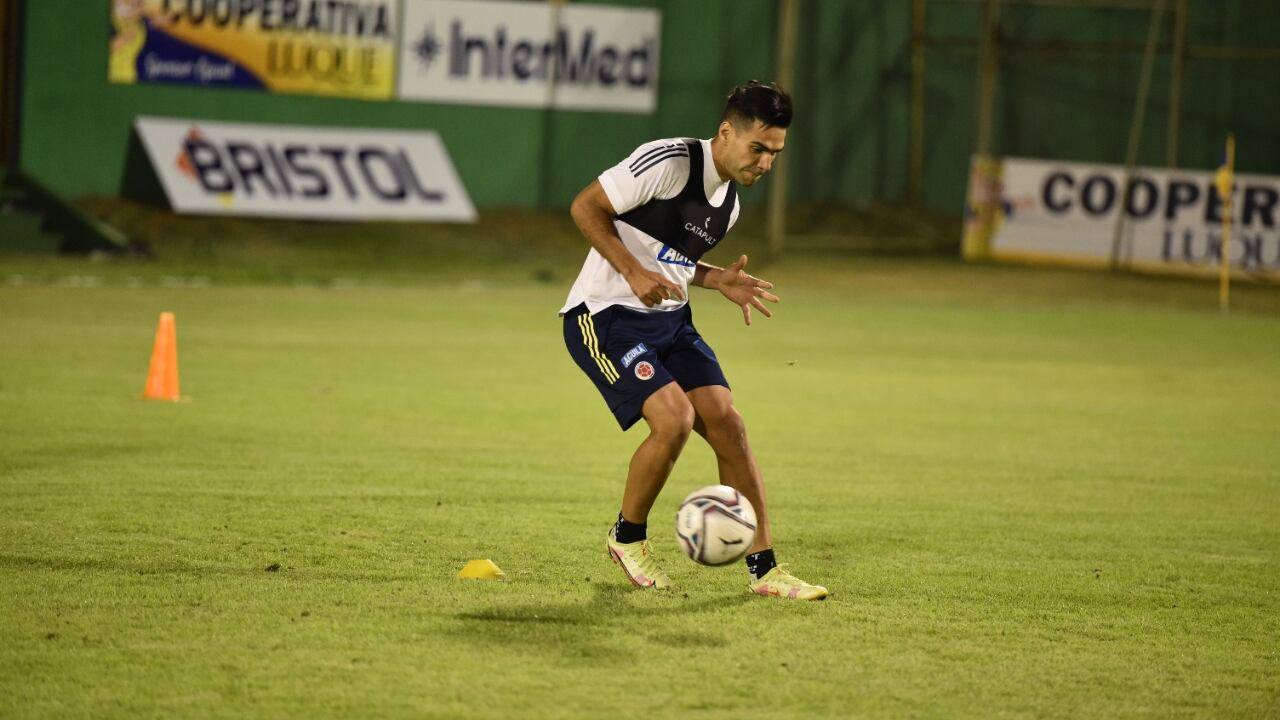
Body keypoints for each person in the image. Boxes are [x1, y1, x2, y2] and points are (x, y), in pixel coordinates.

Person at [560, 81, 828, 601]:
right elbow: (585, 208)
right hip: (605, 316)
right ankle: (628, 538)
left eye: (775, 153)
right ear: (726, 132)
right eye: (758, 148)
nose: (766, 163)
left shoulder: (728, 205)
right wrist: (633, 274)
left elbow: (671, 261)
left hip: (671, 322)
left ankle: (765, 570)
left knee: (729, 425)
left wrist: (712, 279)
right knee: (675, 419)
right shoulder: (668, 161)